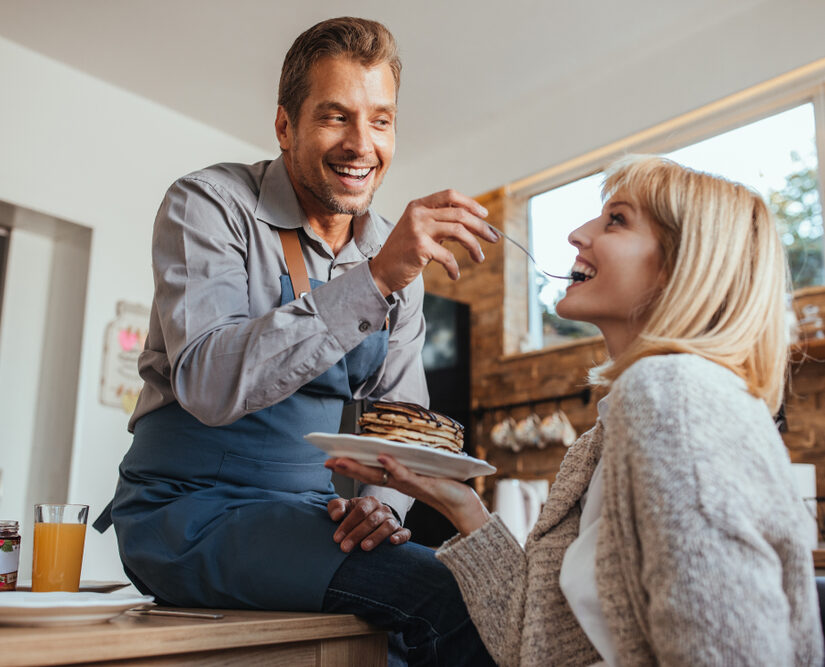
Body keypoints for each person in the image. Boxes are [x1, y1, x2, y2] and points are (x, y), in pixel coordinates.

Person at [94, 17, 497, 666]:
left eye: (381, 120)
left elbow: (401, 422)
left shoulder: (391, 252)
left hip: (318, 521)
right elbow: (206, 381)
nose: (361, 144)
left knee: (451, 602)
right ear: (285, 126)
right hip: (191, 515)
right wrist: (373, 280)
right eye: (335, 116)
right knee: (449, 597)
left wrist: (381, 512)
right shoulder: (209, 204)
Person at [328, 155, 825, 666]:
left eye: (617, 219)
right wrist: (458, 503)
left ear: (683, 265)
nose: (577, 234)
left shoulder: (675, 397)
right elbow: (540, 645)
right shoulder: (609, 434)